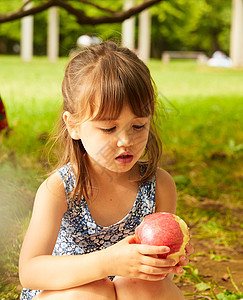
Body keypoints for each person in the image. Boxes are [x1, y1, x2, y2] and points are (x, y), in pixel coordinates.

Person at [19, 41, 193, 300]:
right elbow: (30, 271)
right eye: (109, 129)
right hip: (67, 291)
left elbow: (155, 280)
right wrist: (108, 262)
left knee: (139, 285)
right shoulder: (58, 190)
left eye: (138, 126)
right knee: (91, 292)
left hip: (129, 290)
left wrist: (164, 261)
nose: (126, 141)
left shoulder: (159, 185)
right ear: (74, 126)